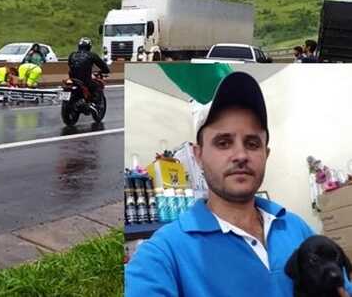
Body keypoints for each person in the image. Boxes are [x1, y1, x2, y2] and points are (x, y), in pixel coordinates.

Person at [125, 71, 352, 296]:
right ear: (198, 155)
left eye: (252, 143)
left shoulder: (296, 228)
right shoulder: (162, 255)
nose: (240, 155)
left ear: (266, 153)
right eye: (223, 143)